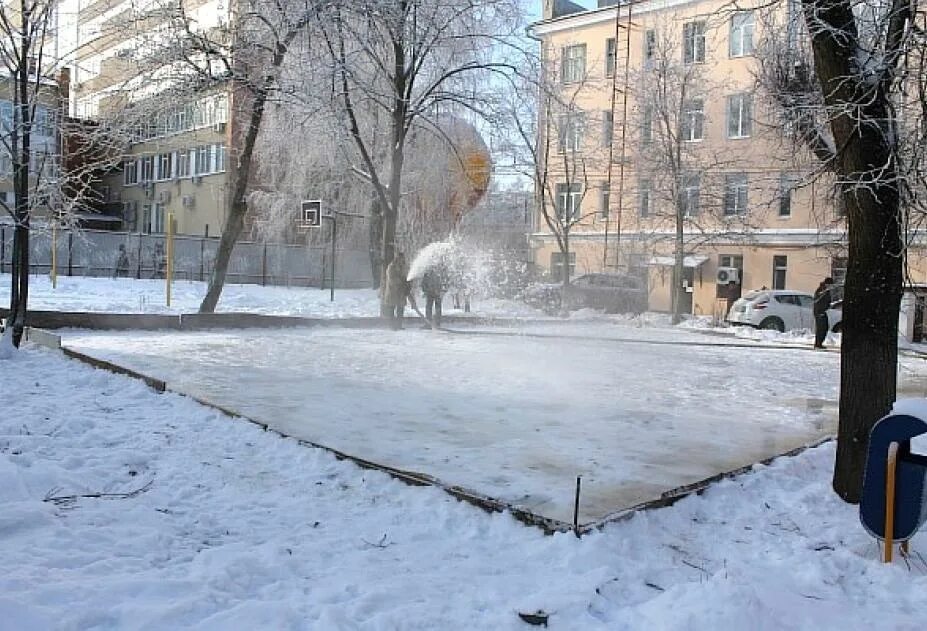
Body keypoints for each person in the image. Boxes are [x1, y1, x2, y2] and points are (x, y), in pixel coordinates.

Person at [383, 252, 410, 330]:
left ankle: (399, 325)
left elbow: (406, 277)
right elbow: (392, 279)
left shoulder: (403, 267)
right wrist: (402, 282)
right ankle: (392, 326)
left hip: (401, 293)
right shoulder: (391, 267)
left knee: (400, 309)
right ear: (397, 259)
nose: (402, 260)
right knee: (391, 309)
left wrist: (408, 284)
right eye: (401, 258)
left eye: (403, 258)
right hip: (393, 292)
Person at [813, 276, 833, 349]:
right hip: (819, 311)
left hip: (822, 311)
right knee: (821, 328)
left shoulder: (825, 290)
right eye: (830, 285)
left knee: (825, 327)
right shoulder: (822, 290)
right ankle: (818, 344)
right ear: (827, 284)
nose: (831, 286)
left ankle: (819, 343)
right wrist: (820, 310)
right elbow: (817, 300)